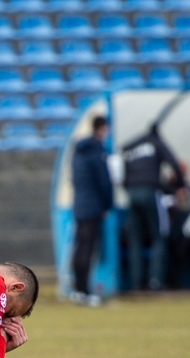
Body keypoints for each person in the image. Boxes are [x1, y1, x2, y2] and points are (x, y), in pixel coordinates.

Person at [121, 123, 185, 291]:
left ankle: (136, 283)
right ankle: (155, 281)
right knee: (160, 236)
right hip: (151, 191)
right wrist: (180, 185)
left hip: (132, 194)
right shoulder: (155, 142)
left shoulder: (131, 146)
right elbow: (173, 162)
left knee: (135, 240)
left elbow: (122, 173)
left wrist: (129, 188)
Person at [70, 115, 113, 307]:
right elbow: (104, 181)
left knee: (80, 248)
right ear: (103, 128)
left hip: (80, 205)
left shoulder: (78, 151)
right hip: (94, 207)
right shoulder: (97, 151)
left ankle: (78, 289)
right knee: (88, 250)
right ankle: (85, 291)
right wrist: (107, 205)